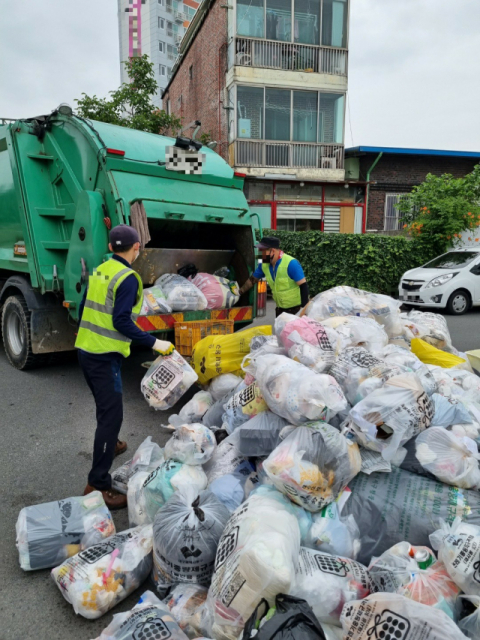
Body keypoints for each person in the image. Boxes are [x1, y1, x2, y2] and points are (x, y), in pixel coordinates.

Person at [75, 224, 173, 509]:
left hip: (86, 350)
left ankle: (113, 443)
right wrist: (156, 344)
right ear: (136, 248)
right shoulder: (129, 278)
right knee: (111, 415)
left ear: (109, 248)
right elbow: (121, 320)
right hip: (104, 356)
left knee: (105, 408)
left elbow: (84, 307)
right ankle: (97, 486)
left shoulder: (101, 269)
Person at [239, 236, 309, 317]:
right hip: (280, 310)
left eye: (262, 251)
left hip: (296, 310)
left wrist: (303, 310)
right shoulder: (264, 264)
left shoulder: (291, 263)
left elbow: (304, 287)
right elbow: (252, 280)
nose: (260, 254)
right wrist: (240, 292)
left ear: (272, 251)